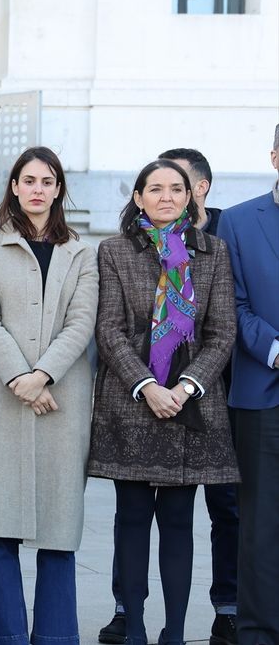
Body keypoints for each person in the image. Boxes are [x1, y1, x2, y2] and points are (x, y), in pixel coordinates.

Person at [87, 159, 238, 645]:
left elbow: (222, 332)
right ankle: (134, 628)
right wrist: (147, 386)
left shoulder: (213, 251)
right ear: (138, 198)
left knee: (177, 521)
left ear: (191, 196)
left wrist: (186, 385)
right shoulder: (113, 251)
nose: (167, 197)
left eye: (177, 189)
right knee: (130, 518)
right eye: (155, 189)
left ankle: (174, 633)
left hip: (191, 406)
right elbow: (108, 329)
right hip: (131, 404)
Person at [0, 147, 98, 645]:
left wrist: (42, 375)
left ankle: (57, 636)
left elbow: (82, 322)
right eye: (29, 180)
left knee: (59, 527)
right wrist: (22, 378)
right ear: (14, 187)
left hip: (63, 400)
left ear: (58, 189)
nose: (38, 189)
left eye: (47, 181)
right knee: (1, 522)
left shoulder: (82, 252)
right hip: (3, 398)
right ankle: (2, 635)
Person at [215, 125, 279, 645]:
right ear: (275, 156)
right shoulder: (237, 222)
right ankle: (259, 632)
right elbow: (231, 304)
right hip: (262, 394)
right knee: (260, 522)